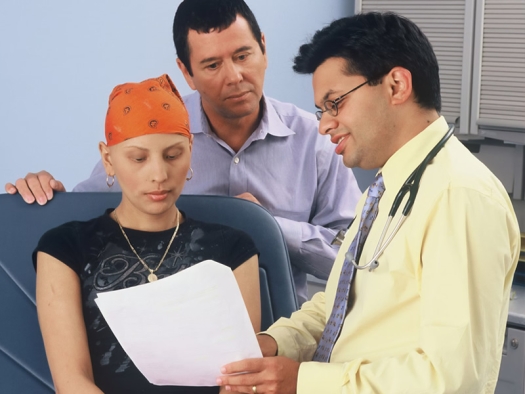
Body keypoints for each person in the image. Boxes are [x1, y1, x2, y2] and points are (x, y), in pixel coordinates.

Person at [216, 12, 521, 393]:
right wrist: (276, 343)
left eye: (335, 103)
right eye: (321, 110)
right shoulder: (386, 187)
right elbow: (341, 304)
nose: (324, 124)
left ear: (396, 85)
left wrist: (303, 382)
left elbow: (452, 379)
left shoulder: (460, 196)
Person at [5, 0, 362, 305]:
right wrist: (44, 197)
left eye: (243, 55)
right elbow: (83, 218)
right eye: (211, 65)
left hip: (279, 332)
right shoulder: (154, 134)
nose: (235, 76)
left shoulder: (317, 139)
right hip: (163, 324)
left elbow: (357, 260)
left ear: (264, 48)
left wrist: (267, 226)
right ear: (185, 72)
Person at [33, 75, 261, 394]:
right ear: (108, 159)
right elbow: (72, 382)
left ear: (190, 150)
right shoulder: (64, 247)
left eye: (173, 155)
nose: (159, 175)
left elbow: (240, 380)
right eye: (138, 158)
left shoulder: (233, 247)